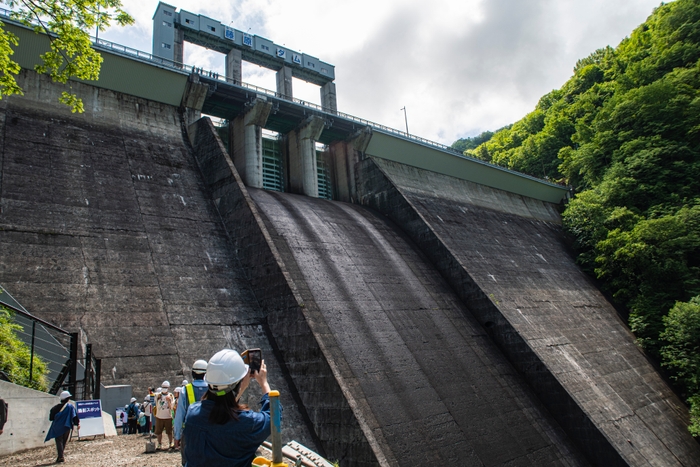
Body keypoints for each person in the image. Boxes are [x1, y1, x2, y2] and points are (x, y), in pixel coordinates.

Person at [184, 349, 278, 467]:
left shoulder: (192, 414)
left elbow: (221, 402)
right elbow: (274, 417)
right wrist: (264, 383)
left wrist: (238, 387)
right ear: (237, 384)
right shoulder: (246, 422)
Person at [174, 359, 208, 465]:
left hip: (189, 433)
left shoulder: (185, 390)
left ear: (193, 373)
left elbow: (179, 415)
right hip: (209, 432)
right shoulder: (212, 389)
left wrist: (177, 436)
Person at [45, 390, 80, 463]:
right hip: (66, 427)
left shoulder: (54, 408)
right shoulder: (70, 407)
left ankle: (60, 456)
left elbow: (51, 418)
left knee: (59, 441)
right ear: (68, 399)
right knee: (63, 442)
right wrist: (77, 424)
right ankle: (61, 456)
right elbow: (74, 416)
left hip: (57, 427)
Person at [154, 381, 174, 449]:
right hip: (159, 416)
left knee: (169, 431)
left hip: (168, 416)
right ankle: (159, 444)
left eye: (166, 387)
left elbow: (171, 407)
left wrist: (168, 401)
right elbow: (152, 397)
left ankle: (171, 442)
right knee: (158, 431)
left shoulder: (171, 395)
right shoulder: (158, 395)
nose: (164, 389)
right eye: (163, 387)